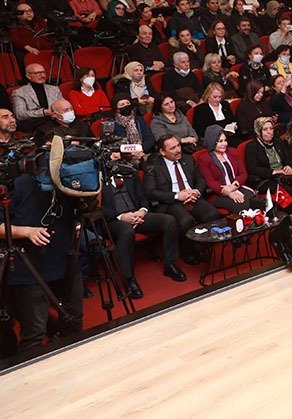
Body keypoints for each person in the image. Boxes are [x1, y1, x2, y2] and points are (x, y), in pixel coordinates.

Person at [1, 173, 83, 356]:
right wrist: (26, 232)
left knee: (74, 321)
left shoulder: (71, 174)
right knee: (35, 333)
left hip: (65, 259)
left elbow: (91, 208)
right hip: (28, 267)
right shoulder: (17, 181)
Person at [102, 172, 187, 301]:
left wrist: (142, 211)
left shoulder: (129, 173)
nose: (116, 155)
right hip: (114, 220)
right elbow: (98, 207)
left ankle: (170, 265)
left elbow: (142, 197)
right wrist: (122, 216)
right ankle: (129, 279)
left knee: (169, 221)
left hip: (137, 214)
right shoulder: (96, 177)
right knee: (127, 231)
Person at [143, 135, 218, 264]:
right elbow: (150, 192)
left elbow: (200, 179)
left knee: (211, 214)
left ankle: (200, 247)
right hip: (171, 202)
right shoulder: (153, 166)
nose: (178, 150)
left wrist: (197, 191)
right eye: (173, 148)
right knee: (186, 221)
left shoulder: (188, 159)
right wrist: (177, 195)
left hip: (192, 196)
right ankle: (188, 252)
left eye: (178, 145)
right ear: (162, 152)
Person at [197, 125, 266, 212]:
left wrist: (234, 186)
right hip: (218, 193)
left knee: (255, 201)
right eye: (220, 141)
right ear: (212, 142)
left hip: (236, 187)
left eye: (225, 140)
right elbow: (210, 182)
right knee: (242, 205)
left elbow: (243, 173)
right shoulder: (204, 159)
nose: (224, 144)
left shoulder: (233, 152)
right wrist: (229, 193)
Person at [243, 117, 292, 211]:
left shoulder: (278, 142)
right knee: (287, 190)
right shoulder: (252, 147)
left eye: (271, 128)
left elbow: (287, 159)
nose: (269, 132)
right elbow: (253, 169)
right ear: (258, 131)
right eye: (265, 129)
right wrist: (274, 171)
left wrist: (288, 166)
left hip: (282, 175)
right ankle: (287, 216)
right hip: (265, 178)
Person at [12, 63, 62, 133]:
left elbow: (63, 104)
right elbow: (20, 114)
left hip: (55, 119)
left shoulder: (54, 89)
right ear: (28, 76)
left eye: (43, 72)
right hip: (35, 123)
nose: (42, 75)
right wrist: (43, 112)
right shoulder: (19, 92)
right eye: (38, 73)